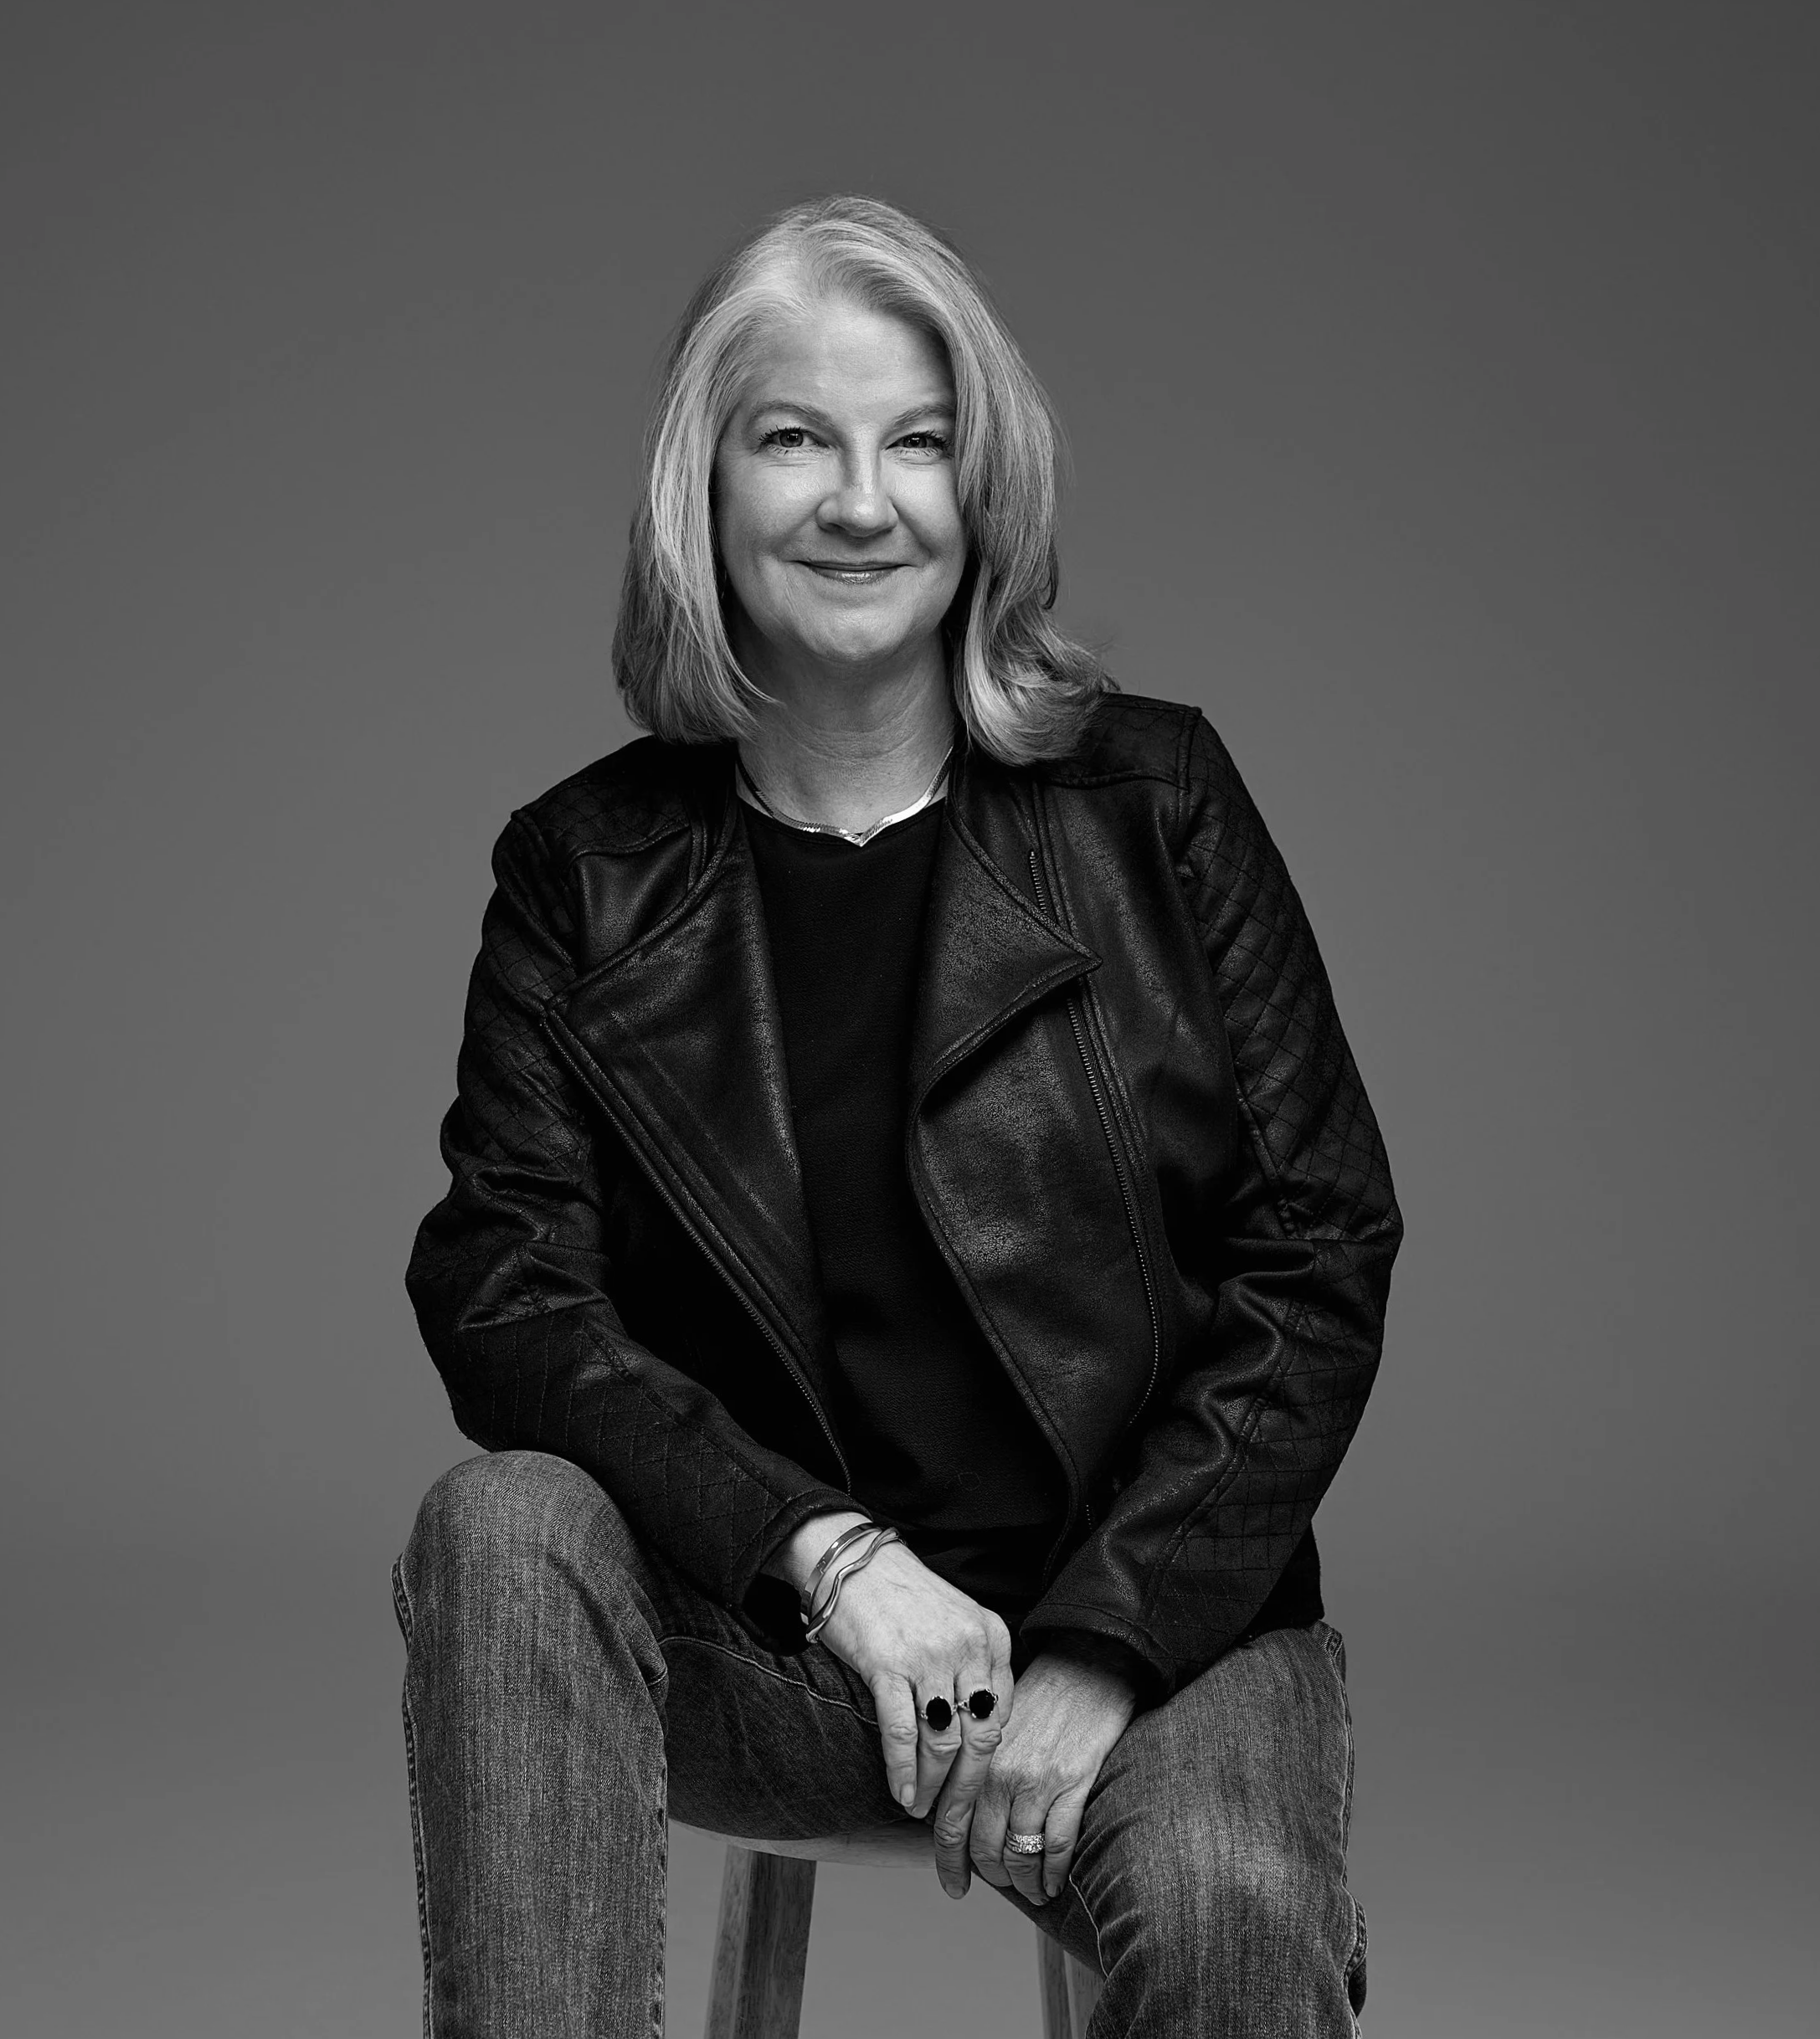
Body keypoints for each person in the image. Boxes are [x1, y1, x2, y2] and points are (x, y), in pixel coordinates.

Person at [395, 194, 1401, 2038]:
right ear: (703, 493)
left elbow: (1321, 1251)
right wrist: (830, 1563)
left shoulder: (1157, 805)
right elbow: (503, 1292)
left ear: (980, 490)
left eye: (918, 444)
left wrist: (1103, 1647)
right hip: (784, 1658)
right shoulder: (582, 873)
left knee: (1230, 1926)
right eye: (797, 439)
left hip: (1151, 1659)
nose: (863, 502)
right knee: (501, 1524)